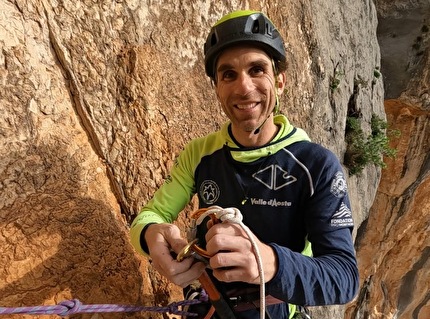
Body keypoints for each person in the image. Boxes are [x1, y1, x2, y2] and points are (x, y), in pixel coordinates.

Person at [130, 10, 359, 319]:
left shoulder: (314, 165)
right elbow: (151, 215)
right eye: (228, 74)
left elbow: (344, 277)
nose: (243, 87)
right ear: (216, 88)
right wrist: (150, 235)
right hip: (207, 308)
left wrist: (271, 262)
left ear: (280, 81)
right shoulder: (200, 154)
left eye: (257, 69)